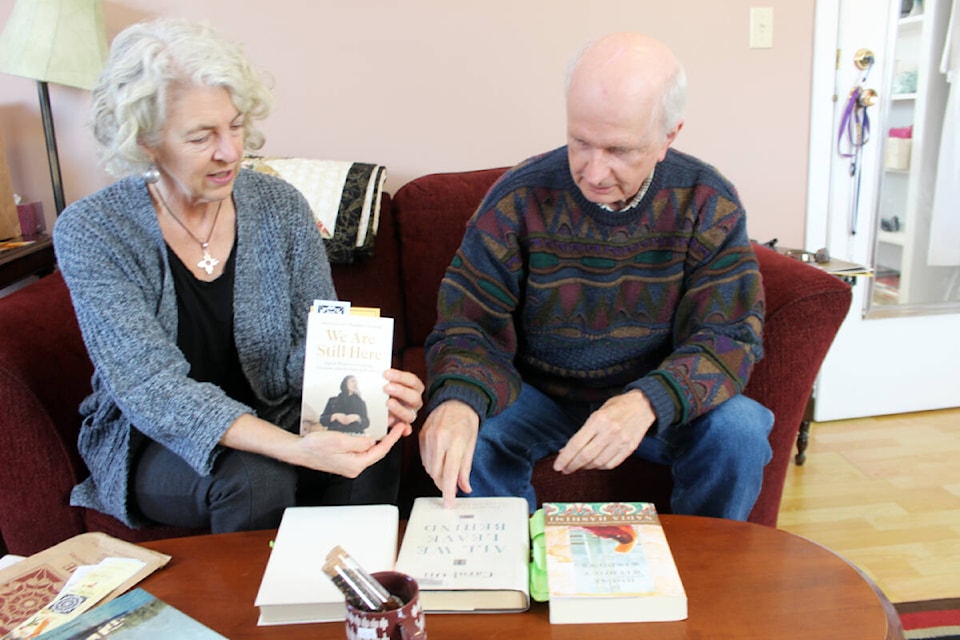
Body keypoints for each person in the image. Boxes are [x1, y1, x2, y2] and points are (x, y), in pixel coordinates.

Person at [53, 18, 423, 533]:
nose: (230, 151)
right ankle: (250, 614)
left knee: (371, 440)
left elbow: (314, 342)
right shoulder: (95, 230)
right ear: (146, 140)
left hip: (272, 408)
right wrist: (297, 448)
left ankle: (356, 603)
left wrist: (368, 386)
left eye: (234, 125)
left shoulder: (279, 206)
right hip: (153, 438)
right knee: (255, 477)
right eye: (202, 137)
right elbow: (151, 390)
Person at [419, 32, 774, 520]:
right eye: (580, 143)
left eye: (619, 150)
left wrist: (648, 400)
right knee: (471, 437)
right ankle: (508, 579)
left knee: (739, 430)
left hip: (653, 398)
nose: (593, 172)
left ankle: (703, 574)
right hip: (538, 397)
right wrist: (458, 399)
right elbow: (467, 323)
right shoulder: (517, 199)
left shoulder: (706, 200)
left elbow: (730, 334)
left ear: (669, 136)